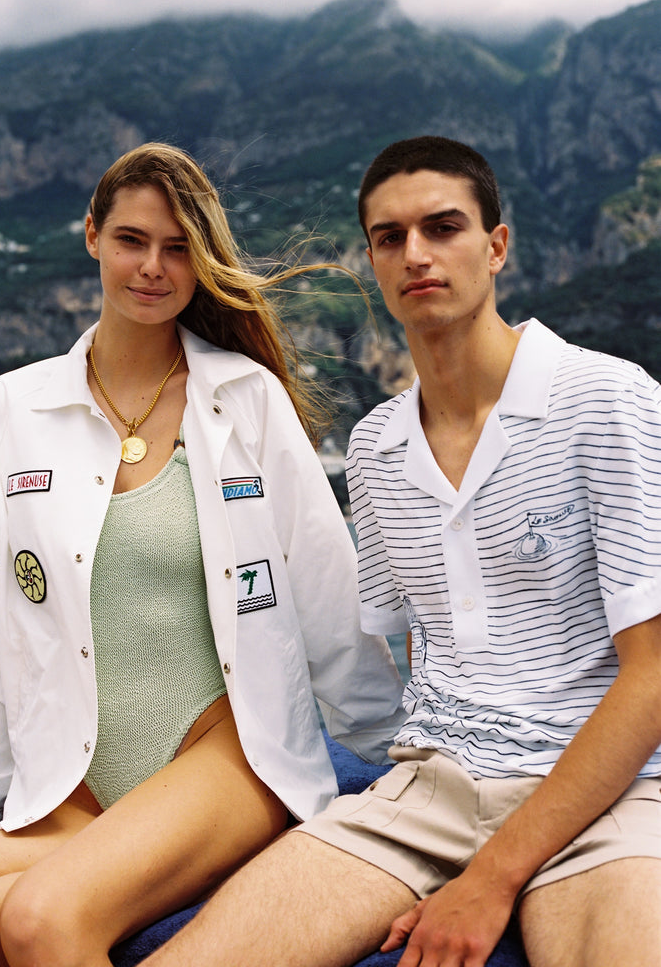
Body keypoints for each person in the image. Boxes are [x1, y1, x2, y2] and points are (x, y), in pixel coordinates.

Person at [139, 136, 661, 967]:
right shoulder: (378, 446)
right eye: (389, 237)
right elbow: (420, 646)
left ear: (497, 246)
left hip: (613, 795)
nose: (415, 253)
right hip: (429, 789)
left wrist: (491, 879)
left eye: (443, 227)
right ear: (373, 260)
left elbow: (655, 672)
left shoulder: (609, 399)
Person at [0, 141, 406, 967]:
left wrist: (401, 761)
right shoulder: (11, 407)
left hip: (220, 758)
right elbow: (12, 626)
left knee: (46, 920)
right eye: (133, 240)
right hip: (71, 780)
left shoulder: (247, 399)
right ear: (92, 234)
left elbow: (324, 593)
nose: (153, 267)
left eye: (179, 249)